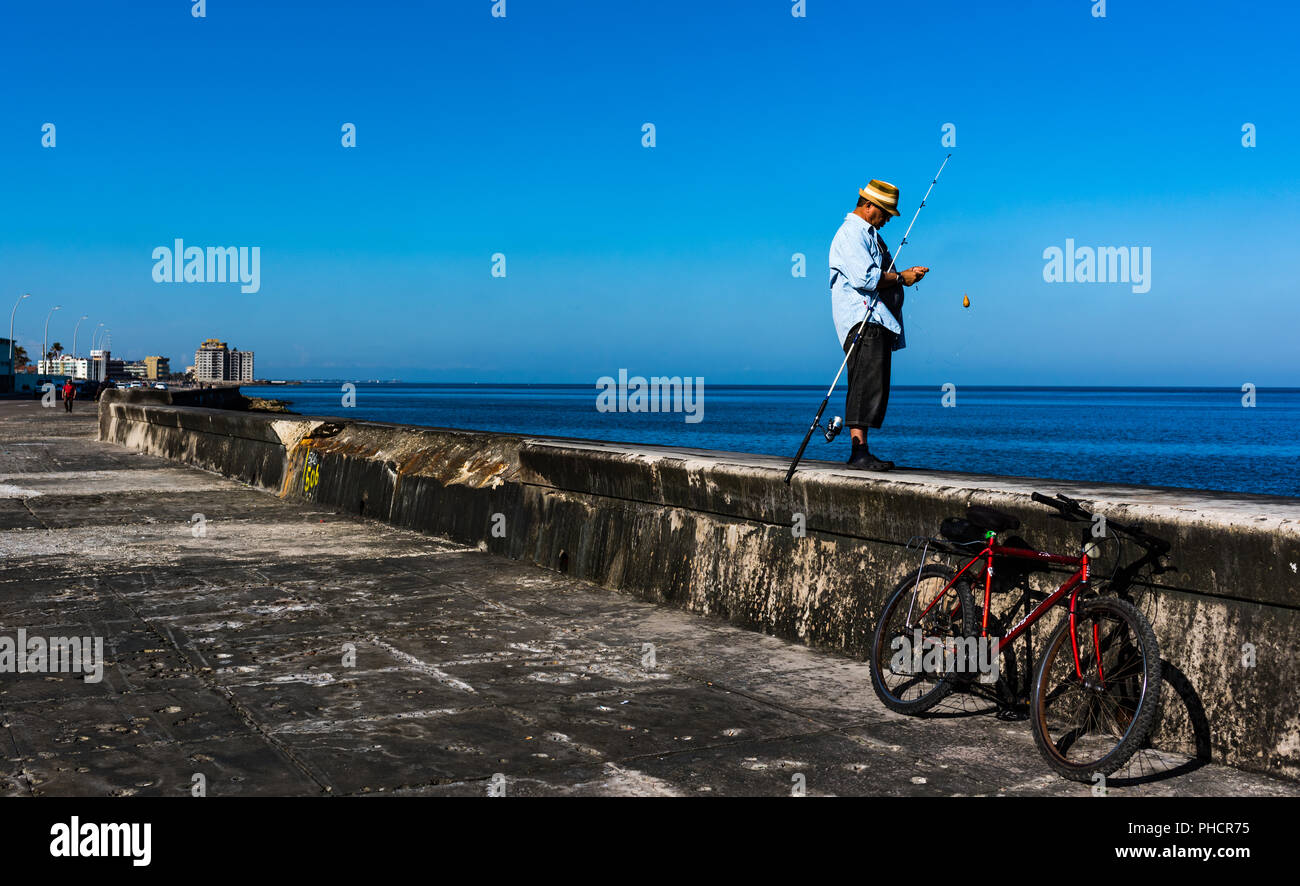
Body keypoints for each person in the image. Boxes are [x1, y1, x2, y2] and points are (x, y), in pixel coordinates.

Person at [828, 178, 928, 470]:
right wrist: (901, 277)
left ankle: (862, 450)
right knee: (864, 382)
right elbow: (865, 277)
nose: (886, 220)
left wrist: (903, 278)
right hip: (862, 320)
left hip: (875, 320)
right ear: (869, 206)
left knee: (874, 383)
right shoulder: (851, 234)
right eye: (884, 213)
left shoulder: (869, 235)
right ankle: (858, 452)